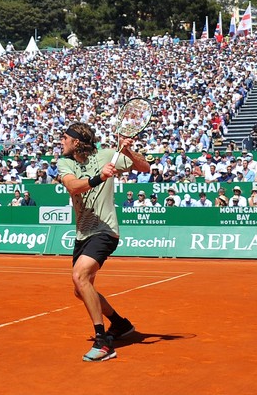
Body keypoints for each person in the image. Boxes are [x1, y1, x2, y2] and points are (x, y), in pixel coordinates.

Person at [57, 119, 150, 362]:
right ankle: (120, 324)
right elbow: (73, 187)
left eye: (64, 138)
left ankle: (103, 342)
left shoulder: (108, 154)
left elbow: (145, 168)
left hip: (105, 230)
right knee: (80, 290)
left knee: (80, 276)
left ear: (76, 141)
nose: (61, 141)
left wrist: (127, 150)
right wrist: (99, 177)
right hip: (82, 233)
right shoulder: (64, 162)